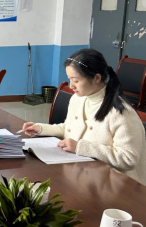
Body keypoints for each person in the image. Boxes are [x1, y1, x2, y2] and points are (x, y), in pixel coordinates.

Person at [22, 49, 146, 185]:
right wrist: (40, 129)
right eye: (69, 79)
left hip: (120, 185)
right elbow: (69, 128)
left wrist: (79, 147)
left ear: (97, 78)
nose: (71, 86)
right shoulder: (78, 99)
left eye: (75, 80)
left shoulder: (121, 112)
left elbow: (128, 158)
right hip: (87, 176)